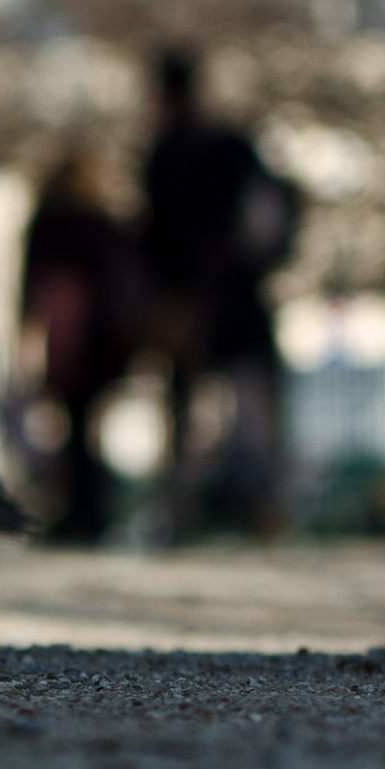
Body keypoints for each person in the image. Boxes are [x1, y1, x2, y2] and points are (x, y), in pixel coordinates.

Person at [140, 49, 298, 540]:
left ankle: (185, 514)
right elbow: (268, 220)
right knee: (249, 414)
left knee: (192, 413)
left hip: (192, 304)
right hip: (238, 297)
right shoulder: (232, 147)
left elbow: (153, 237)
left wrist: (168, 299)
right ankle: (262, 509)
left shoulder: (164, 155)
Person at [19, 149, 142, 543]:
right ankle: (91, 512)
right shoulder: (103, 223)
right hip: (101, 336)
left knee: (74, 426)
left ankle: (79, 512)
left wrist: (27, 337)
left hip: (71, 334)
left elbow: (31, 286)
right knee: (85, 425)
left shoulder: (52, 224)